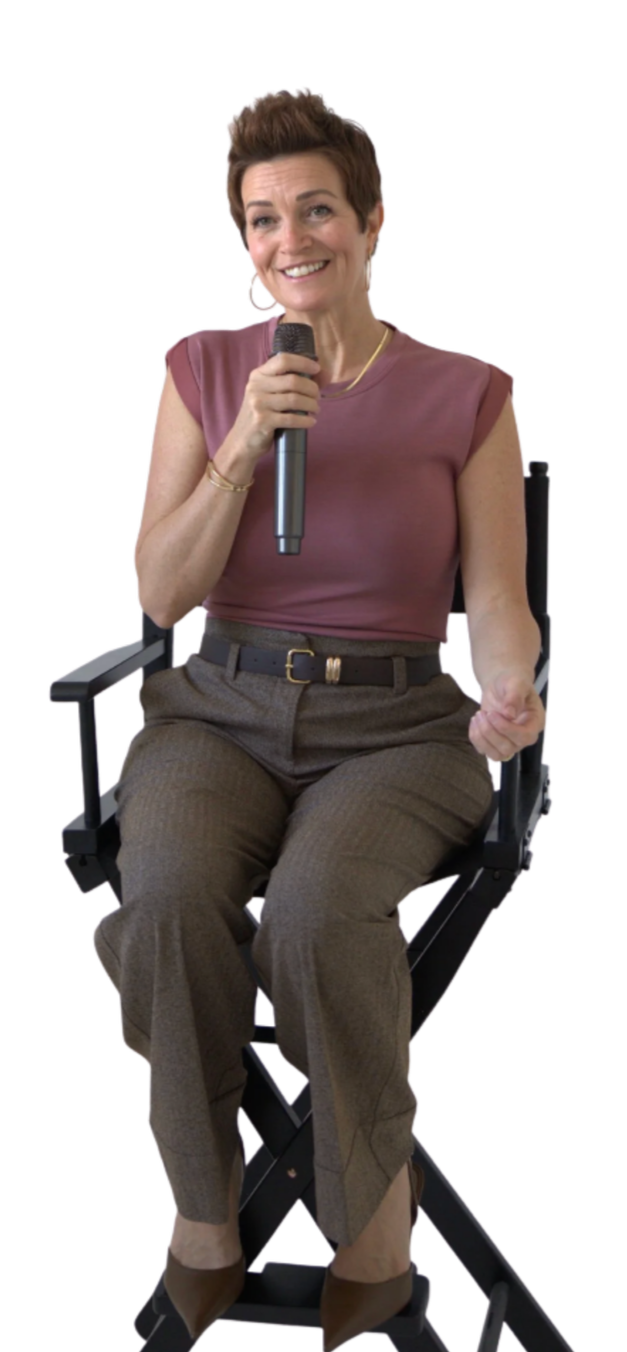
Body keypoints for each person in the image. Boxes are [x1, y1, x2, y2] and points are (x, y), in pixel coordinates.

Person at [92, 89, 542, 1350]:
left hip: (396, 729)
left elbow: (496, 599)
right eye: (261, 218)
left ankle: (372, 1215)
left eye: (316, 210)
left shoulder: (469, 395)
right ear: (246, 240)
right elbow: (158, 592)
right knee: (169, 897)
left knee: (311, 910)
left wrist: (513, 683)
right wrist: (242, 444)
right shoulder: (203, 369)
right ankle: (202, 1210)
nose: (290, 238)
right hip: (215, 710)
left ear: (372, 223)